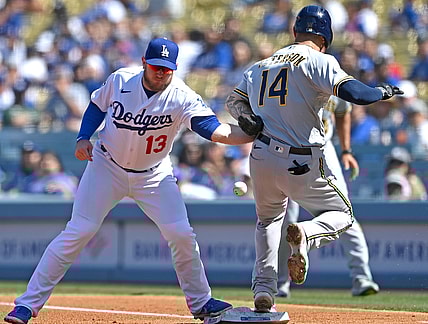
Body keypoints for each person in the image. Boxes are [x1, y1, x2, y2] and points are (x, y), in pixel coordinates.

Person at [4, 37, 259, 324]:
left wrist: (252, 133)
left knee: (181, 234)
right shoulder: (121, 80)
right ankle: (26, 305)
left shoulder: (181, 95)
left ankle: (201, 302)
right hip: (106, 166)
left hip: (154, 176)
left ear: (175, 69)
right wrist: (82, 137)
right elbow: (96, 107)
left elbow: (214, 131)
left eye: (167, 69)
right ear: (144, 64)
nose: (161, 73)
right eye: (155, 67)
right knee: (78, 231)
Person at [224, 4, 403, 312]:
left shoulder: (260, 65)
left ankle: (264, 290)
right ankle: (307, 234)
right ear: (326, 37)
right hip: (301, 160)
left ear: (295, 31)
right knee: (343, 215)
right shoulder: (318, 60)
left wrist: (245, 118)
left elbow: (233, 101)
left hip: (262, 156)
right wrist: (382, 91)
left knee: (268, 221)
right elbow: (356, 95)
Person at [276, 96, 379, 298]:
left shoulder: (332, 80)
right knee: (285, 219)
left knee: (345, 214)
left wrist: (347, 150)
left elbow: (343, 110)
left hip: (324, 149)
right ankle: (280, 283)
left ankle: (362, 277)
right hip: (287, 149)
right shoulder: (293, 77)